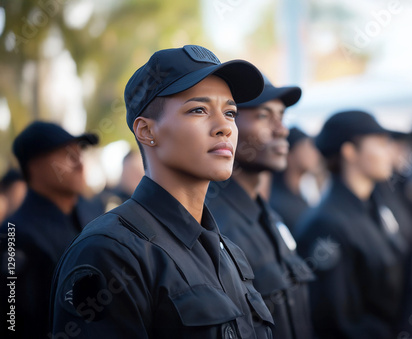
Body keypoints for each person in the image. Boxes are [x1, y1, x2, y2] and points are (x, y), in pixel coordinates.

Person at [50, 45, 274, 338]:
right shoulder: (110, 252)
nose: (225, 127)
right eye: (199, 109)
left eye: (230, 112)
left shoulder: (228, 252)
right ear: (146, 131)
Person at [206, 75, 315, 339]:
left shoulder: (268, 216)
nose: (281, 129)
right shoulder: (214, 226)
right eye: (265, 116)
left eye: (282, 116)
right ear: (229, 124)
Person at [296, 110, 408, 339]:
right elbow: (338, 323)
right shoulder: (326, 224)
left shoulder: (374, 207)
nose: (389, 151)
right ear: (349, 152)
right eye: (379, 143)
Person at [0, 121, 99, 338]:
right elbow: (13, 320)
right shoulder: (14, 235)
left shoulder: (94, 216)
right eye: (66, 155)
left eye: (79, 153)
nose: (79, 164)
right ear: (34, 166)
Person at [269, 127, 322, 235]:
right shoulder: (277, 203)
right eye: (307, 147)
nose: (314, 154)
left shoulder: (301, 197)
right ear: (289, 154)